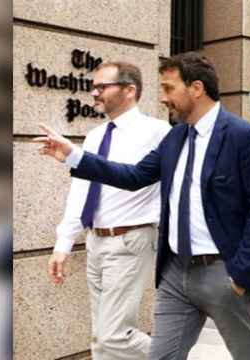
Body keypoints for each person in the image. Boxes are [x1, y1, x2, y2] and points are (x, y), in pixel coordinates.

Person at [36, 52, 250, 360]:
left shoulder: (240, 135)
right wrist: (74, 156)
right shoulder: (174, 137)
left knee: (249, 354)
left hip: (221, 272)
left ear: (196, 88)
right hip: (175, 274)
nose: (162, 98)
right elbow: (133, 176)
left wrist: (240, 275)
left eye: (169, 88)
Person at [47, 61, 171, 360]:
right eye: (94, 86)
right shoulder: (94, 136)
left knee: (115, 335)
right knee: (100, 339)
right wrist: (63, 243)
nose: (94, 92)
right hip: (96, 241)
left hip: (131, 240)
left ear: (130, 90)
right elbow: (81, 192)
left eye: (102, 87)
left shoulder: (159, 132)